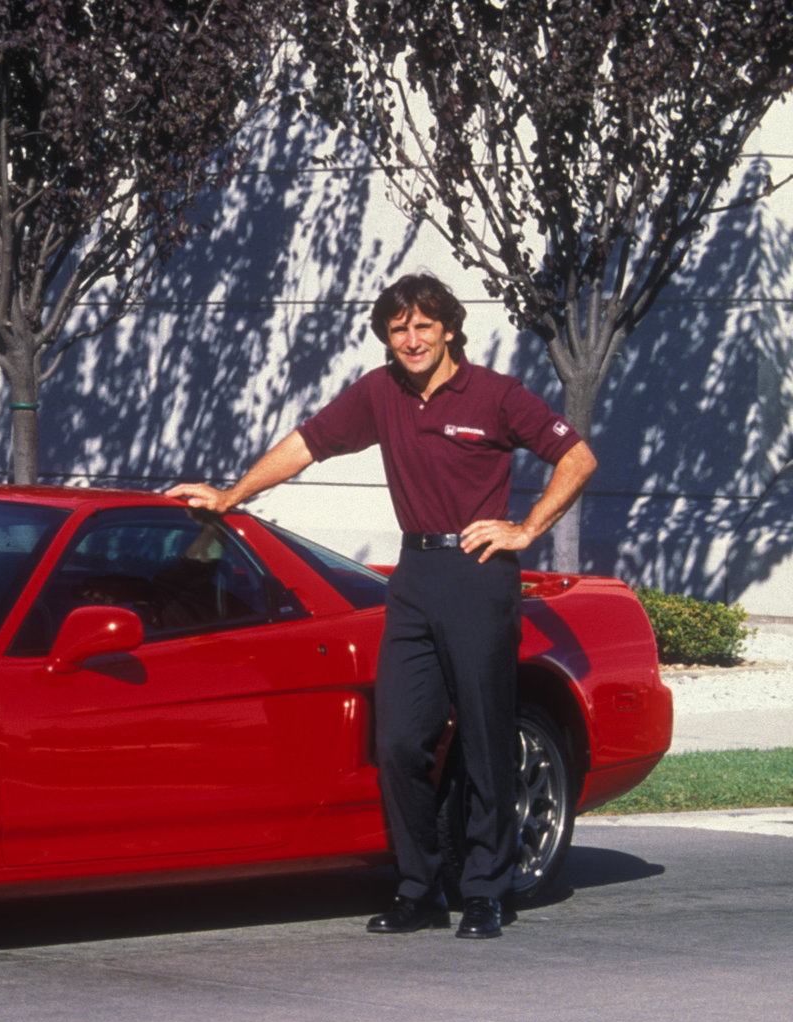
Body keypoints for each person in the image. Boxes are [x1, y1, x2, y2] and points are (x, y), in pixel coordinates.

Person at [167, 273, 597, 940]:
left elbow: (577, 457)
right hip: (416, 574)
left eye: (424, 326)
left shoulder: (494, 396)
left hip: (479, 573)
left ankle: (486, 889)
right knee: (398, 740)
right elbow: (306, 444)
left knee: (485, 739)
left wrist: (526, 529)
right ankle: (419, 887)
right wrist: (232, 494)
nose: (412, 339)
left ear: (450, 328)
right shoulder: (381, 391)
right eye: (399, 329)